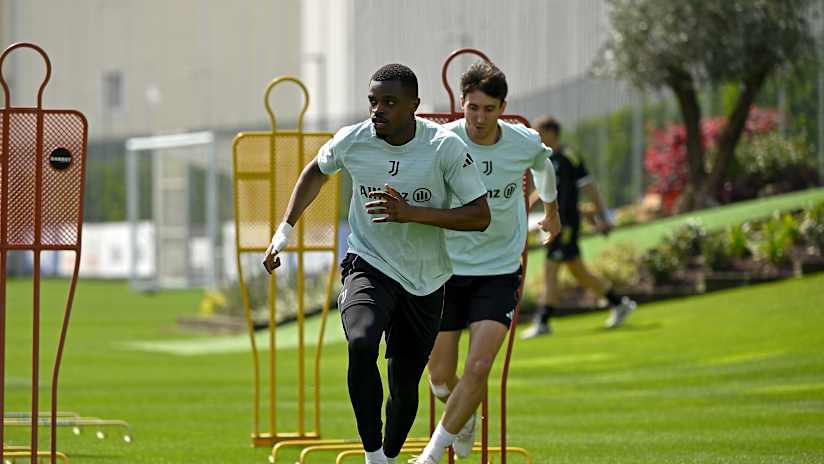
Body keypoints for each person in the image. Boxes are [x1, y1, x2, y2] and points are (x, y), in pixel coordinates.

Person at [262, 64, 490, 464]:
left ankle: (388, 453)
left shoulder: (444, 147)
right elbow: (315, 171)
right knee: (362, 341)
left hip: (424, 279)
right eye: (373, 101)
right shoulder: (353, 140)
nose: (377, 110)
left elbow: (479, 215)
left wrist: (411, 213)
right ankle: (373, 456)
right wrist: (284, 231)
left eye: (389, 102)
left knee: (403, 390)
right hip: (367, 263)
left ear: (414, 106)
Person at [412, 62, 561, 464]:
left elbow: (544, 167)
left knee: (478, 366)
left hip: (498, 271)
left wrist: (552, 210)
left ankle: (431, 454)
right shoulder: (443, 141)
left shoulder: (523, 141)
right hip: (446, 270)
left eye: (489, 109)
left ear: (502, 108)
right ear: (462, 104)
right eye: (472, 107)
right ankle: (464, 418)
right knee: (440, 377)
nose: (479, 118)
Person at [521, 115, 637, 339]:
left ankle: (543, 321)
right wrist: (526, 205)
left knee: (551, 267)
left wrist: (602, 216)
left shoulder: (569, 156)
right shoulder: (547, 158)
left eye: (539, 131)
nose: (536, 136)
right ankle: (619, 303)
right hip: (557, 222)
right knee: (578, 272)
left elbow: (590, 186)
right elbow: (546, 189)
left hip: (567, 224)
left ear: (551, 132)